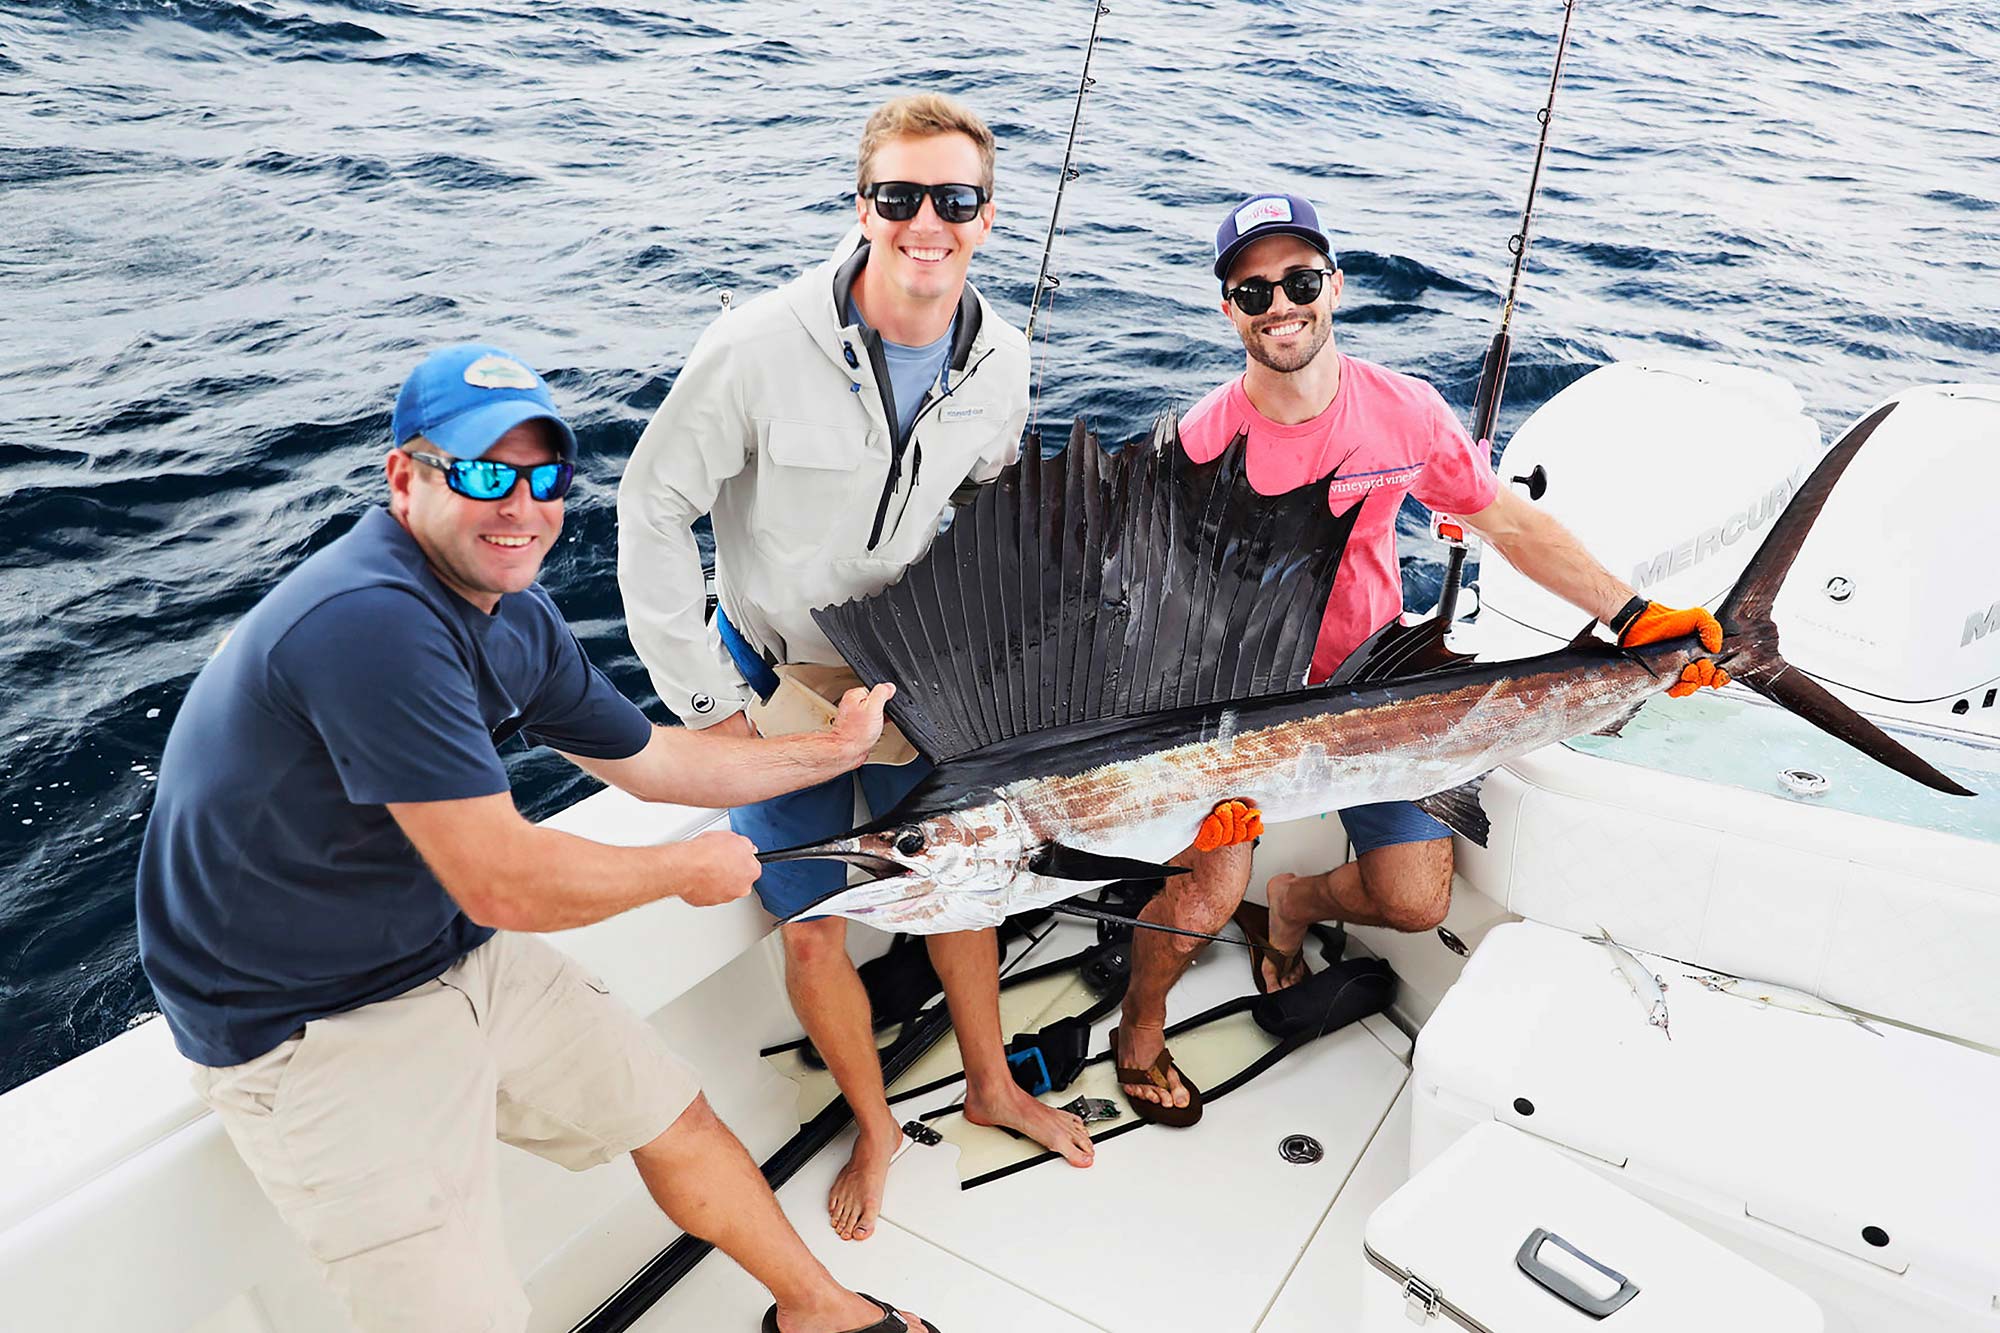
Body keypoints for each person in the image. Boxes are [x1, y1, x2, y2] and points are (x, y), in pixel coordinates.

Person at [135, 343, 937, 1333]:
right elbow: (503, 882)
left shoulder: (514, 612)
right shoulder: (369, 620)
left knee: (671, 1115)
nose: (520, 504)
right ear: (404, 478)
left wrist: (828, 752)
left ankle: (820, 1309)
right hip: (304, 1027)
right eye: (481, 473)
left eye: (543, 474)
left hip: (442, 948)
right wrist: (683, 868)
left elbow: (650, 761)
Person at [1113, 194, 1732, 1123]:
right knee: (1205, 894)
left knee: (1414, 900)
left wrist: (1636, 613)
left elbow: (1508, 524)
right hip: (1239, 700)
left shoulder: (1404, 412)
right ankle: (1139, 1027)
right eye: (1254, 290)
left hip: (1376, 682)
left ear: (1335, 286)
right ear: (1227, 308)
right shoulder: (1202, 439)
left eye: (1300, 281)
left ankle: (1294, 904)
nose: (1281, 305)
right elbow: (1156, 602)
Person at [618, 93, 1095, 1244]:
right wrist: (710, 709)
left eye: (955, 200)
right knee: (816, 924)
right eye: (899, 197)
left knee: (960, 887)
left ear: (985, 215)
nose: (926, 223)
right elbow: (648, 506)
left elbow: (985, 521)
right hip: (777, 683)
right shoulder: (753, 346)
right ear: (862, 205)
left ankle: (990, 1081)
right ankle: (875, 1126)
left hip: (923, 684)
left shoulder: (1005, 359)